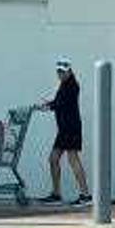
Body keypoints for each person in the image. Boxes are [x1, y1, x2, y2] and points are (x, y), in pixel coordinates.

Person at [37, 59, 91, 206]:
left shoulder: (72, 85)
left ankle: (85, 195)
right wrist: (49, 104)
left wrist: (49, 105)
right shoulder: (64, 84)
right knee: (53, 159)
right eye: (58, 71)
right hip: (64, 129)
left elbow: (61, 103)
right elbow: (58, 102)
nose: (60, 73)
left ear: (69, 71)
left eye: (63, 71)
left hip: (71, 128)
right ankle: (56, 194)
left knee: (73, 159)